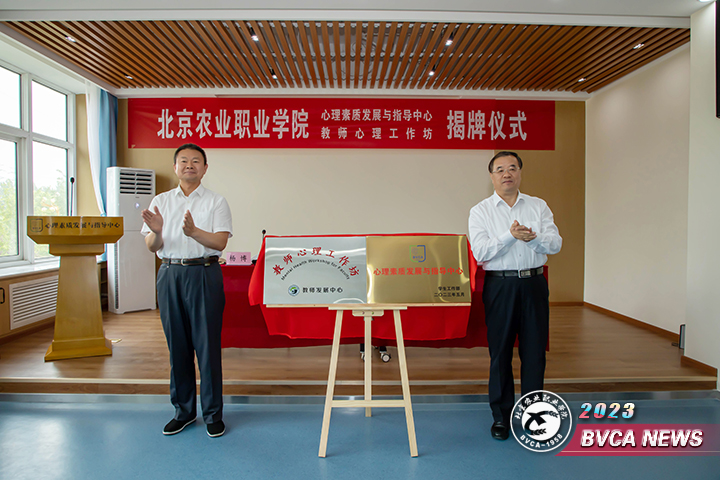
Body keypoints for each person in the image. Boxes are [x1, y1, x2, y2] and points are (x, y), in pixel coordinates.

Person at [468, 151, 562, 441]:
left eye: (512, 168)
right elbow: (480, 252)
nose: (506, 174)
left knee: (534, 353)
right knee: (500, 354)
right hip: (500, 287)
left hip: (534, 284)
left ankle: (535, 418)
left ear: (520, 173)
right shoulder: (480, 211)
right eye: (500, 169)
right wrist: (511, 235)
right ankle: (501, 417)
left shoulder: (538, 205)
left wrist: (533, 238)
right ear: (491, 176)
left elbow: (555, 244)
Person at [141, 143, 233, 438]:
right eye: (183, 161)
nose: (189, 165)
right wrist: (157, 232)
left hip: (204, 273)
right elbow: (151, 246)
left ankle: (213, 414)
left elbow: (220, 242)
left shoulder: (216, 201)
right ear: (175, 167)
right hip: (169, 274)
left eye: (195, 161)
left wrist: (194, 233)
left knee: (207, 347)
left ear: (205, 168)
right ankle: (183, 412)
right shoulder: (161, 201)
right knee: (177, 346)